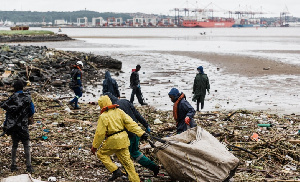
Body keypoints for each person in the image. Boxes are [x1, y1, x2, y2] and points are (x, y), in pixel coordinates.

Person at [91, 95, 149, 182]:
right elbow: (131, 124)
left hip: (112, 140)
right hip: (123, 139)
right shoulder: (119, 111)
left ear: (101, 105)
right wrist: (141, 133)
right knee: (128, 164)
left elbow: (100, 134)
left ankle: (115, 170)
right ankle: (136, 180)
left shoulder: (103, 116)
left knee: (101, 154)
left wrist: (94, 147)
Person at [105, 92, 159, 176]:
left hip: (127, 135)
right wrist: (146, 125)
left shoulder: (114, 109)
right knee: (135, 152)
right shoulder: (125, 101)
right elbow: (137, 114)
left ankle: (130, 174)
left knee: (125, 155)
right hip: (136, 132)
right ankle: (153, 167)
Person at [0, 79, 35, 172]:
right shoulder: (27, 97)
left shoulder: (11, 99)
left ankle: (13, 165)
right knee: (26, 144)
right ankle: (29, 166)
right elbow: (32, 111)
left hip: (13, 126)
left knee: (14, 145)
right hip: (23, 125)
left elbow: (7, 113)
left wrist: (6, 124)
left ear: (14, 88)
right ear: (22, 87)